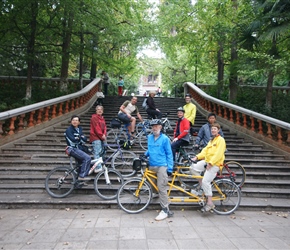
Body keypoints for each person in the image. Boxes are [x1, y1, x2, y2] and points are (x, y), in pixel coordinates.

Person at [188, 123, 226, 212]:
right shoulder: (211, 141)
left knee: (206, 181)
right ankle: (202, 188)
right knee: (192, 167)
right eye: (212, 129)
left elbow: (218, 154)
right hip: (207, 161)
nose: (213, 130)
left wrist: (211, 163)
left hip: (215, 164)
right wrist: (196, 157)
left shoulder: (221, 140)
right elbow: (204, 151)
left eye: (215, 129)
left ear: (218, 130)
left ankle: (210, 203)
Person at [143, 119, 173, 221]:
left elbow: (169, 153)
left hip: (162, 166)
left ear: (160, 127)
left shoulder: (165, 139)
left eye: (156, 126)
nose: (154, 128)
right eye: (153, 126)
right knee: (151, 183)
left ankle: (165, 210)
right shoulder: (150, 138)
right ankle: (157, 195)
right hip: (152, 164)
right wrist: (144, 154)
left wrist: (170, 168)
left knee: (162, 186)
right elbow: (150, 149)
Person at [65, 115, 91, 181]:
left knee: (80, 164)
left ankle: (77, 181)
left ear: (79, 122)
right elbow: (72, 140)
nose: (75, 122)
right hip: (72, 148)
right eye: (73, 120)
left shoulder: (80, 129)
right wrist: (80, 138)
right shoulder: (69, 130)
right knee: (87, 158)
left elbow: (85, 139)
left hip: (79, 148)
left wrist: (79, 138)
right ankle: (82, 176)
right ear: (71, 121)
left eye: (76, 120)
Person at [89, 105, 107, 173]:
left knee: (102, 152)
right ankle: (97, 167)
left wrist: (104, 134)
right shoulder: (94, 117)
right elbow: (96, 127)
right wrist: (101, 135)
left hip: (101, 137)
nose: (100, 111)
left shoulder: (102, 118)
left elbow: (105, 127)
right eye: (98, 109)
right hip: (95, 137)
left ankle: (100, 165)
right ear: (96, 111)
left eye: (101, 110)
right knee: (97, 151)